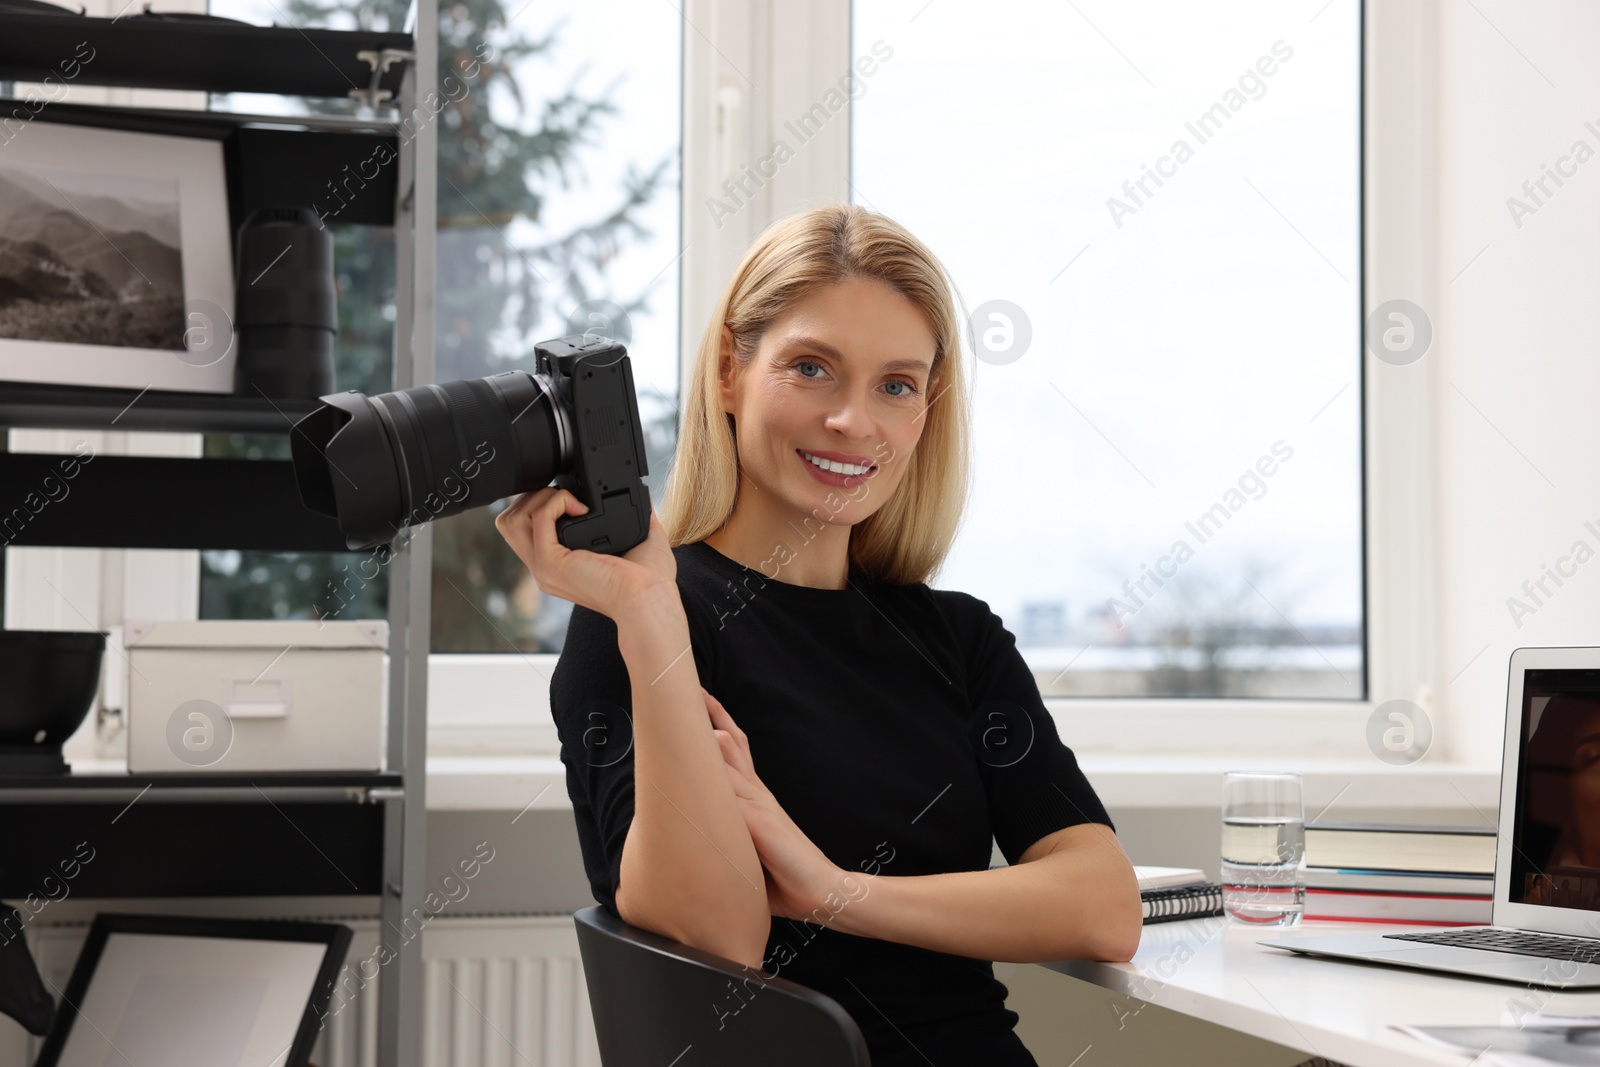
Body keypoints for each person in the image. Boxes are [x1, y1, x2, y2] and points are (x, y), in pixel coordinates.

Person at [496, 202, 1142, 1065]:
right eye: (811, 367)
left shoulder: (959, 638)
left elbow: (1104, 907)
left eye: (896, 384)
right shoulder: (638, 619)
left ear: (926, 410)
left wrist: (834, 890)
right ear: (730, 370)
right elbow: (717, 939)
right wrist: (653, 614)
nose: (855, 422)